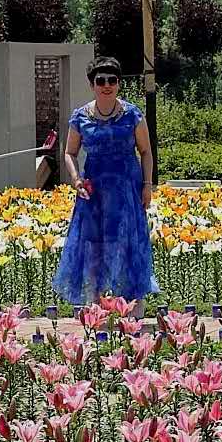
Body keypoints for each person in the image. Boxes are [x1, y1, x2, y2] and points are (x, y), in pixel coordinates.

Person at [53, 56, 158, 310]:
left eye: (112, 80)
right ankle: (95, 300)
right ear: (92, 85)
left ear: (119, 83)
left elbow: (145, 151)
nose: (107, 85)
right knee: (94, 243)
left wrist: (147, 184)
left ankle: (135, 301)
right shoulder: (80, 117)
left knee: (128, 240)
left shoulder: (132, 114)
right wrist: (76, 179)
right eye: (101, 80)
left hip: (126, 189)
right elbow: (69, 152)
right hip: (94, 190)